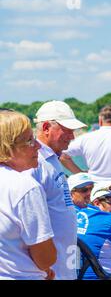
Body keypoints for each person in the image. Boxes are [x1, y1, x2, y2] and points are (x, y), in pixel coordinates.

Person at [23, 100, 87, 280]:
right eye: (67, 130)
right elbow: (31, 218)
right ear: (46, 128)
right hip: (49, 269)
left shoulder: (52, 159)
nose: (72, 137)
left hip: (63, 264)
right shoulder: (36, 163)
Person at [0, 110, 57, 280]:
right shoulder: (25, 187)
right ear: (8, 148)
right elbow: (45, 258)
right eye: (30, 141)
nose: (38, 146)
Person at [60, 105, 111, 227]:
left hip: (95, 193)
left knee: (96, 230)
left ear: (100, 120)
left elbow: (63, 155)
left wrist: (81, 174)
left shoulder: (87, 138)